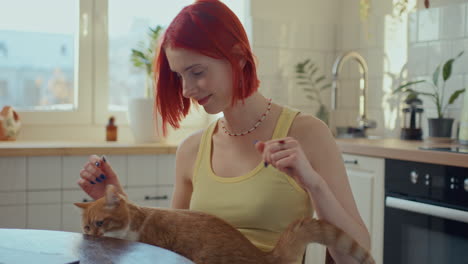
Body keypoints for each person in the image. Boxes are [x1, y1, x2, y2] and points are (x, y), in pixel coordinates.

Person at [77, 0, 370, 263]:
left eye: (197, 72)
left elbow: (357, 256)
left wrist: (314, 185)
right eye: (180, 76)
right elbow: (170, 247)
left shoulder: (306, 134)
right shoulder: (192, 150)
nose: (187, 90)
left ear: (239, 56)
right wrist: (115, 205)